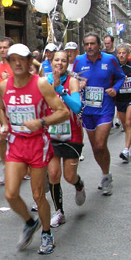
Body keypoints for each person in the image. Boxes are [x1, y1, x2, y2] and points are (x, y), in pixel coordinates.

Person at [0, 44, 70, 254]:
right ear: (9, 63)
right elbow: (1, 108)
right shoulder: (4, 86)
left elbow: (63, 112)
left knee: (38, 195)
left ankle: (46, 233)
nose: (18, 63)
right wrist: (4, 125)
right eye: (13, 60)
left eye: (22, 59)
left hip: (38, 144)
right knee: (10, 194)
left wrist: (42, 122)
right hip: (16, 144)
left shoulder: (41, 85)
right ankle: (30, 222)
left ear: (30, 61)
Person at [72, 33, 125, 196]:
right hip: (88, 110)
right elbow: (71, 80)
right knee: (95, 147)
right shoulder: (79, 62)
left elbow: (121, 77)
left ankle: (106, 176)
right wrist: (78, 85)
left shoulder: (110, 60)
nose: (89, 47)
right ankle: (105, 173)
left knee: (101, 144)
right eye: (87, 44)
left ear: (99, 45)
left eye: (92, 44)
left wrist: (115, 89)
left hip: (105, 109)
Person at [45, 51, 86, 228]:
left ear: (67, 63)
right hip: (52, 134)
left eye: (63, 60)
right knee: (53, 174)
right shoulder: (43, 81)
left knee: (69, 176)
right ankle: (59, 212)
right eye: (56, 60)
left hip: (72, 134)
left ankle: (78, 184)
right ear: (51, 62)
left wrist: (59, 89)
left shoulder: (73, 81)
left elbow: (77, 107)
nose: (59, 63)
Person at [0, 37, 14, 185]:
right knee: (0, 136)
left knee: (17, 139)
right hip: (1, 107)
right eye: (0, 47)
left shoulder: (16, 65)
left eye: (5, 47)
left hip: (15, 107)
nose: (2, 50)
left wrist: (10, 78)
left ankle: (22, 166)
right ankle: (6, 167)